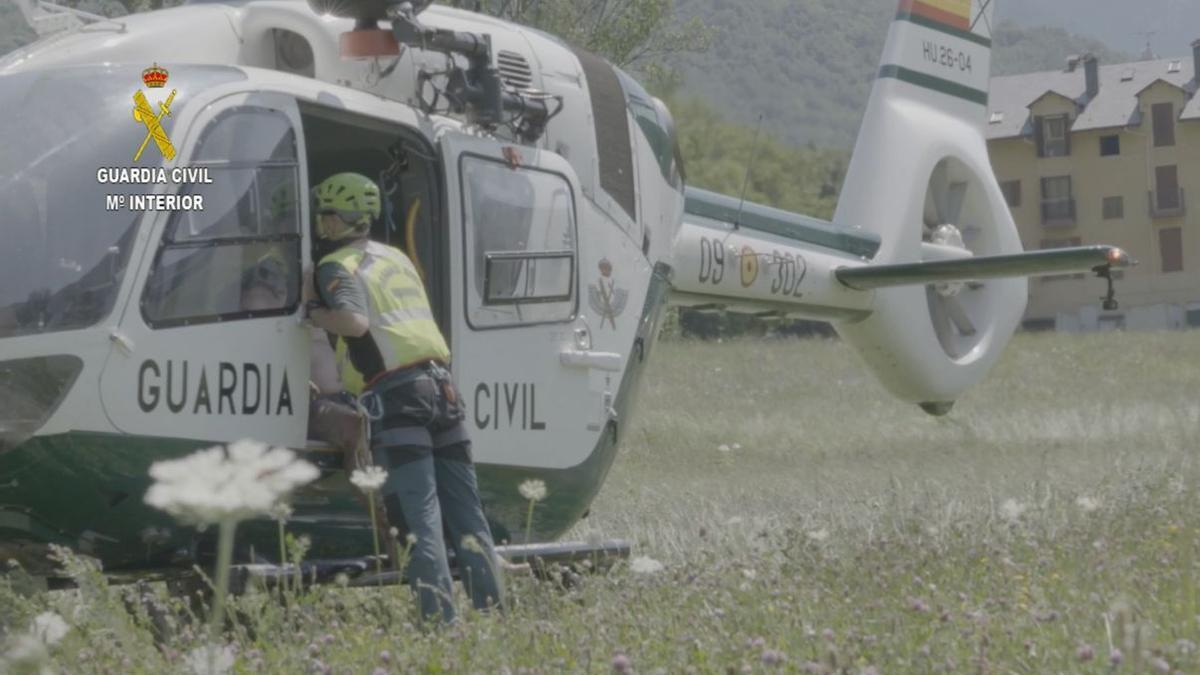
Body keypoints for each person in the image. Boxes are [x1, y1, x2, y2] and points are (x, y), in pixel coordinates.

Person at [303, 172, 504, 622]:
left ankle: (439, 631)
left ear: (336, 220)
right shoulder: (396, 258)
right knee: (469, 519)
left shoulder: (337, 265)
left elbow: (354, 323)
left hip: (396, 397)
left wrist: (314, 311)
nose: (322, 223)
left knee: (420, 523)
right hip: (442, 389)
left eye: (325, 215)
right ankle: (497, 620)